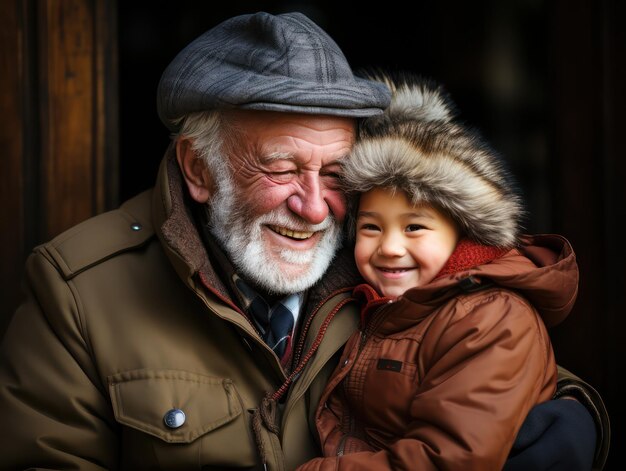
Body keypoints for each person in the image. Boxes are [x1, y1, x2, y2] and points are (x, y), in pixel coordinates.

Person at [0, 11, 607, 471]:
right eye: (282, 169)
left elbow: (491, 353)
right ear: (199, 169)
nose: (314, 207)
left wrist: (578, 416)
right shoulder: (78, 291)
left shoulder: (382, 255)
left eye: (336, 174)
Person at [294, 71, 597, 471]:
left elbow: (446, 459)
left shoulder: (492, 319)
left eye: (414, 227)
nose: (389, 247)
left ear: (463, 232)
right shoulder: (376, 307)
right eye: (371, 227)